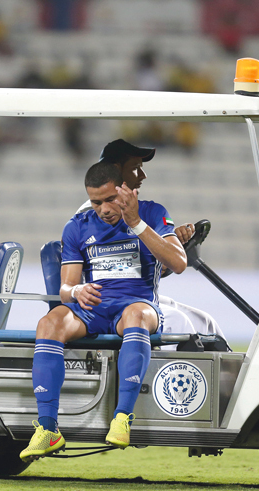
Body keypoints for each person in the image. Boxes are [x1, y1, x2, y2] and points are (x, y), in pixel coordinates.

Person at [20, 161, 187, 462]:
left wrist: (136, 223)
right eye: (97, 202)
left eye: (110, 199)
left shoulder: (151, 212)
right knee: (49, 323)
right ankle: (48, 430)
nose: (104, 209)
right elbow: (65, 288)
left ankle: (122, 417)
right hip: (94, 309)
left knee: (136, 316)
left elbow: (178, 263)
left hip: (136, 306)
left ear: (125, 190)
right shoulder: (78, 226)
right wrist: (76, 291)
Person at [76, 139, 226, 344]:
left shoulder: (134, 209)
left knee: (205, 323)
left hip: (134, 296)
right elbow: (122, 267)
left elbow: (145, 266)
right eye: (136, 168)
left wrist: (169, 245)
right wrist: (165, 251)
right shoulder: (97, 215)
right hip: (106, 303)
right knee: (180, 324)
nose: (143, 175)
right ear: (116, 171)